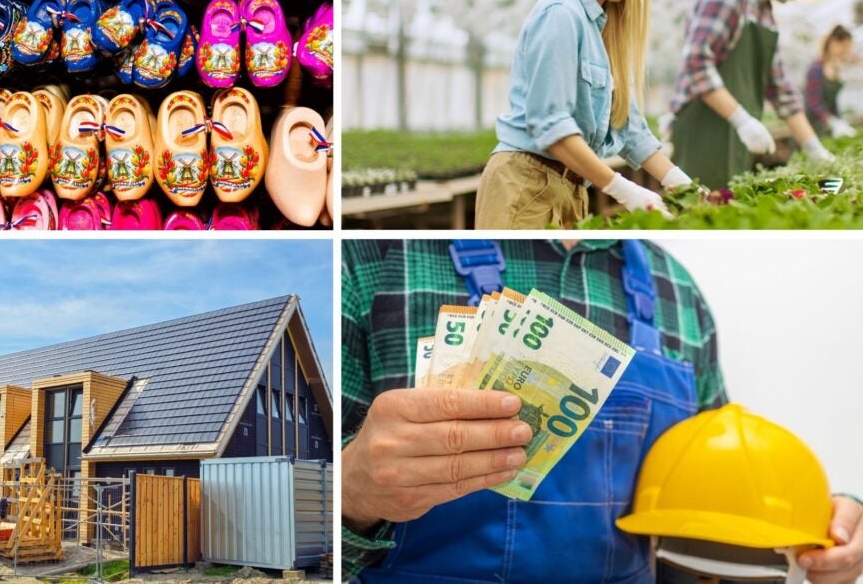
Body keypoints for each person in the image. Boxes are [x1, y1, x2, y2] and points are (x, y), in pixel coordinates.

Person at [341, 239, 863, 583]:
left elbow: (718, 488)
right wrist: (350, 490)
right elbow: (303, 515)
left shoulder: (676, 288)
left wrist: (824, 516)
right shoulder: (369, 258)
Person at [475, 0, 690, 230]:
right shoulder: (561, 15)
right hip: (526, 183)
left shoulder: (603, 28)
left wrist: (681, 184)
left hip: (571, 188)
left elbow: (628, 126)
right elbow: (552, 126)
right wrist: (622, 188)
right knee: (511, 282)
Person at [668, 0, 835, 191]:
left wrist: (814, 148)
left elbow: (780, 90)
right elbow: (696, 62)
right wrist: (741, 119)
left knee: (727, 211)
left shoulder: (766, 15)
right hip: (703, 131)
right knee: (698, 211)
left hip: (736, 137)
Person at [805, 25, 856, 139]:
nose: (846, 51)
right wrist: (832, 121)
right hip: (812, 126)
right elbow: (813, 104)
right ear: (833, 43)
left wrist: (840, 121)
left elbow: (833, 102)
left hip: (828, 127)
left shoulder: (837, 69)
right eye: (844, 47)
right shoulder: (816, 69)